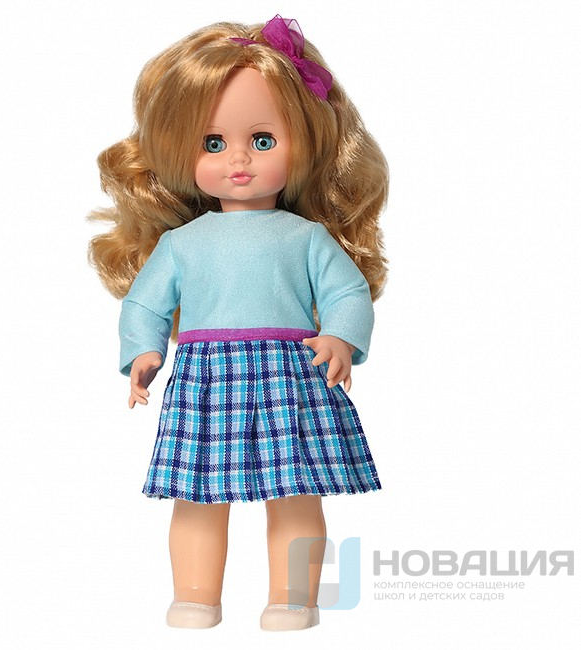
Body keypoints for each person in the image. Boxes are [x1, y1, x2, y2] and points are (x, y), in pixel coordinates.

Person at [89, 15, 388, 631]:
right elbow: (144, 303)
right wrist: (143, 350)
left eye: (263, 139)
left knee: (295, 493)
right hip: (206, 375)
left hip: (290, 372)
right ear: (181, 152)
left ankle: (294, 596)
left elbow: (347, 290)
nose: (240, 160)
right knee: (197, 496)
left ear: (305, 143)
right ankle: (196, 595)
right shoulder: (183, 242)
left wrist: (340, 335)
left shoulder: (306, 237)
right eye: (213, 144)